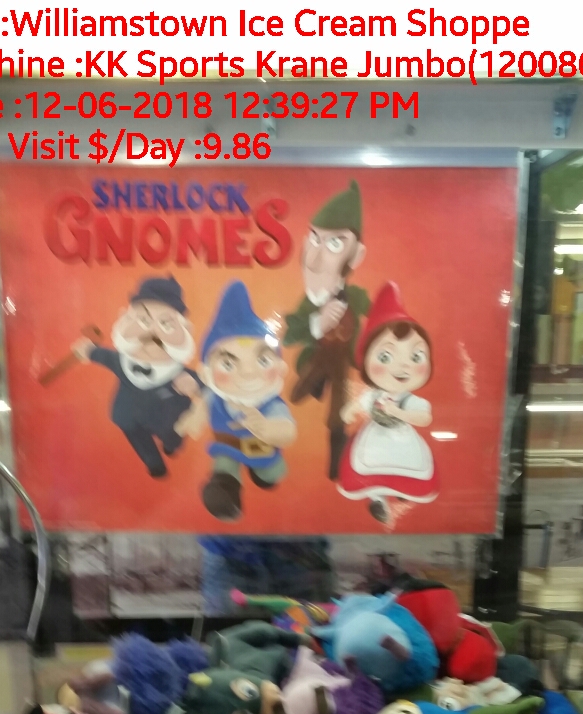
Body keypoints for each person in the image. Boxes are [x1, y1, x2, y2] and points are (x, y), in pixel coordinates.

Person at [72, 275, 200, 479]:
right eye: (144, 320)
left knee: (173, 438)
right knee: (137, 437)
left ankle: (171, 445)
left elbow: (206, 385)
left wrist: (194, 384)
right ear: (124, 318)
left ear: (186, 331)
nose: (152, 331)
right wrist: (89, 350)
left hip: (168, 419)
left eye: (166, 324)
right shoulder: (121, 361)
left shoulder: (178, 373)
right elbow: (103, 355)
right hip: (129, 417)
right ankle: (154, 463)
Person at [283, 180, 370, 481]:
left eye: (334, 243)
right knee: (298, 393)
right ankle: (316, 384)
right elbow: (289, 333)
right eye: (315, 239)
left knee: (338, 413)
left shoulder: (355, 296)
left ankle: (337, 462)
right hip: (318, 357)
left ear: (356, 255)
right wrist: (316, 324)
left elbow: (376, 314)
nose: (317, 257)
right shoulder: (310, 302)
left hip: (344, 361)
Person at [338, 281, 438, 527]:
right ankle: (377, 499)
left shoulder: (410, 399)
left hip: (403, 439)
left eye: (415, 356)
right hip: (376, 437)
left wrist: (399, 412)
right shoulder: (373, 395)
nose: (402, 366)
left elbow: (424, 418)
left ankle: (404, 492)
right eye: (386, 356)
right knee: (370, 467)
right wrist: (350, 411)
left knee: (408, 467)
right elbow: (358, 405)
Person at [195, 281, 296, 522]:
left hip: (261, 449)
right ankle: (225, 494)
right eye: (228, 363)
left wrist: (267, 428)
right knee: (223, 468)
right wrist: (194, 414)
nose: (248, 374)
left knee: (270, 474)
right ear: (206, 373)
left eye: (262, 360)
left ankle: (263, 476)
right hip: (227, 447)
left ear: (280, 368)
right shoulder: (215, 395)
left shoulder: (270, 404)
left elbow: (288, 431)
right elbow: (202, 403)